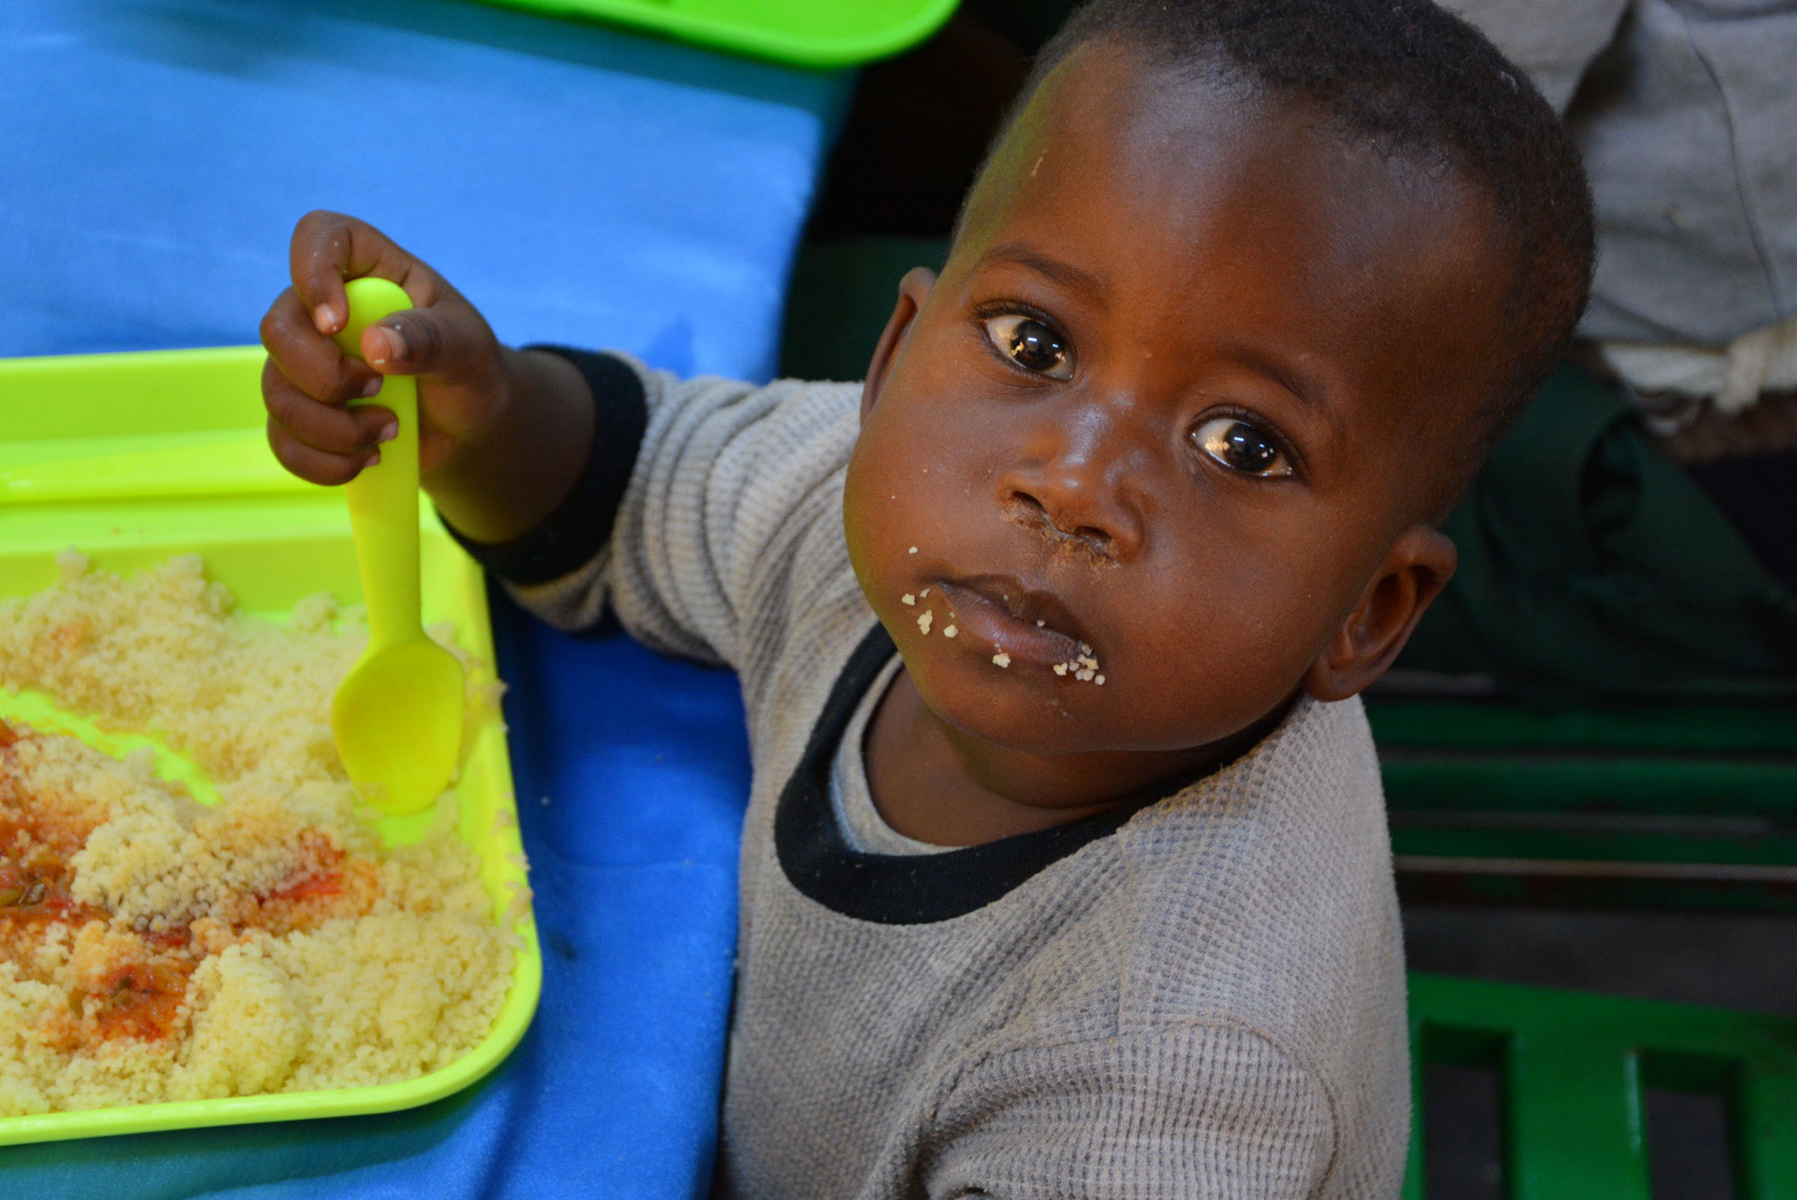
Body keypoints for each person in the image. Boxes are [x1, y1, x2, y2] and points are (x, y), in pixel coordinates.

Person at [258, 0, 1593, 1194]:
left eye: (1242, 445)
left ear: (1369, 608)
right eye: (1036, 343)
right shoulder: (889, 521)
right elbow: (637, 479)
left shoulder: (1164, 1080)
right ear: (893, 361)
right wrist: (478, 419)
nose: (1073, 483)